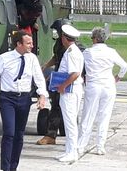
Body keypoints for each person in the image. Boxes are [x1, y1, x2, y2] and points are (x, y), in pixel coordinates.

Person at [0, 30, 48, 171]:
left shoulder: (32, 59)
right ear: (19, 44)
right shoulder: (4, 58)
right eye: (28, 43)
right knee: (9, 132)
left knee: (19, 135)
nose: (32, 45)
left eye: (31, 43)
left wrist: (42, 96)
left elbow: (39, 78)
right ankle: (5, 167)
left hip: (24, 98)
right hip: (8, 99)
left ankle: (13, 166)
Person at [77, 27, 127, 156]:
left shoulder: (88, 52)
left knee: (88, 116)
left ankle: (81, 146)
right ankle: (100, 146)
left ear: (94, 38)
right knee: (104, 116)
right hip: (108, 84)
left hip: (93, 85)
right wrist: (119, 77)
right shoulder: (111, 52)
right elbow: (124, 66)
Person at [36, 18, 71, 145]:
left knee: (59, 107)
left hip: (65, 79)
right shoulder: (60, 44)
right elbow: (56, 58)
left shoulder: (72, 47)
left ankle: (52, 135)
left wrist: (54, 77)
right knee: (56, 106)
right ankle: (52, 135)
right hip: (58, 76)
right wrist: (45, 66)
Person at [56, 24, 84, 162]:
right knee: (69, 121)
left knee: (70, 122)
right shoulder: (72, 51)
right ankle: (69, 150)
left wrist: (62, 86)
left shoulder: (72, 53)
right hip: (72, 90)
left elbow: (75, 74)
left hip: (70, 91)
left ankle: (72, 152)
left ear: (64, 38)